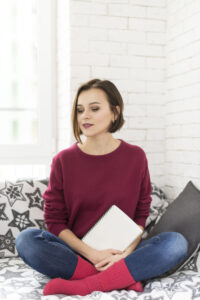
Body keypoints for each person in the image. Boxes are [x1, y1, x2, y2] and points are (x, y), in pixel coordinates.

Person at [15, 78, 188, 296]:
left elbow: (140, 215)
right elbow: (55, 221)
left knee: (175, 243)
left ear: (115, 112)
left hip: (123, 252)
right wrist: (93, 254)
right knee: (26, 240)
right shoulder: (63, 160)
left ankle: (88, 284)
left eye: (94, 108)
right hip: (76, 254)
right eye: (80, 110)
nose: (84, 116)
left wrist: (125, 254)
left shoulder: (136, 157)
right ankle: (121, 278)